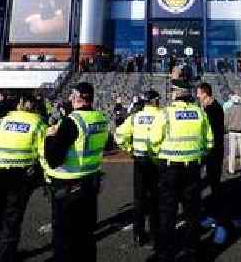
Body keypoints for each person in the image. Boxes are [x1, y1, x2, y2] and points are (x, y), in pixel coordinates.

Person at [41, 82, 108, 262]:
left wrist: (49, 136)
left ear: (79, 96)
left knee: (64, 240)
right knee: (86, 237)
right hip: (90, 181)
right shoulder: (101, 118)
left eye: (72, 95)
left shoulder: (72, 121)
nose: (70, 98)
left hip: (68, 186)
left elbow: (53, 159)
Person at [151, 79, 214, 262]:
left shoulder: (166, 114)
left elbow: (153, 142)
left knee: (167, 212)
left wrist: (159, 157)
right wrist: (198, 155)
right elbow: (209, 142)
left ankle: (165, 252)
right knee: (192, 212)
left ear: (176, 93)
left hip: (170, 168)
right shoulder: (199, 113)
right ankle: (192, 250)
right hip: (192, 167)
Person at [0, 97, 46, 262]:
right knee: (12, 218)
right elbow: (44, 153)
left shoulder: (3, 121)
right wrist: (47, 178)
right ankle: (6, 257)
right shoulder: (38, 123)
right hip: (20, 176)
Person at [114, 90, 165, 247]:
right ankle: (156, 235)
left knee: (139, 199)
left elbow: (119, 135)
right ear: (155, 101)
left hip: (139, 160)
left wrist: (129, 149)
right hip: (156, 161)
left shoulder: (135, 118)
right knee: (156, 199)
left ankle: (139, 234)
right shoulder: (163, 116)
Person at [197, 81, 227, 242]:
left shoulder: (212, 109)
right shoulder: (214, 107)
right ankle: (215, 216)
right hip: (213, 151)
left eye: (199, 93)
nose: (197, 96)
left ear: (206, 94)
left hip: (213, 152)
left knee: (214, 185)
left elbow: (209, 133)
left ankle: (220, 221)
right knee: (211, 182)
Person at [225, 95, 241, 174]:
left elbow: (225, 122)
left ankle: (231, 170)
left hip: (232, 132)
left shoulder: (229, 110)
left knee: (232, 151)